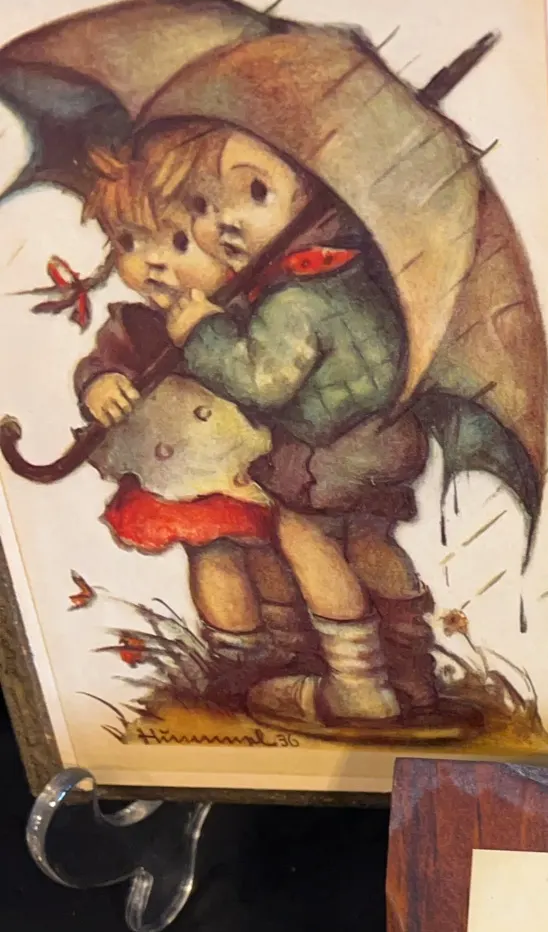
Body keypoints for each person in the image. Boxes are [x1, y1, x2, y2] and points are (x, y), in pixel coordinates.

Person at [143, 120, 440, 727]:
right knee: (370, 541)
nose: (223, 222)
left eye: (255, 193)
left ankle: (358, 686)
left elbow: (262, 382)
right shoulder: (357, 277)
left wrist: (202, 332)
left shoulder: (295, 298)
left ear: (321, 197)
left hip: (326, 452)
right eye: (202, 205)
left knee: (307, 540)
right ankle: (411, 673)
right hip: (389, 441)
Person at [72, 138, 307, 682]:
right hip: (183, 475)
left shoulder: (250, 314)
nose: (152, 261)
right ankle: (237, 656)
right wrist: (99, 385)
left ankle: (291, 645)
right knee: (214, 556)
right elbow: (100, 364)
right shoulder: (134, 325)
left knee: (272, 556)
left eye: (179, 241)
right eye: (130, 242)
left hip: (252, 468)